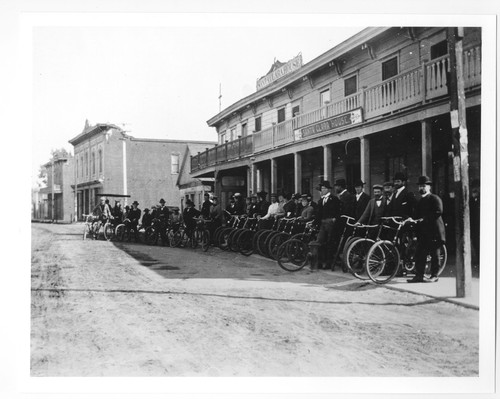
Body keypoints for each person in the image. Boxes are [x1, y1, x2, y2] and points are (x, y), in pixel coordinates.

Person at [406, 176, 446, 283]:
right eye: (420, 186)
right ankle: (419, 275)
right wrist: (412, 219)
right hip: (423, 233)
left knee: (435, 255)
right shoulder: (420, 201)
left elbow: (438, 211)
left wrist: (423, 219)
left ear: (429, 187)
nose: (421, 188)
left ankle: (434, 275)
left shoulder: (434, 198)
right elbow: (416, 215)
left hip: (434, 232)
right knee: (420, 254)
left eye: (423, 186)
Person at [313, 180, 342, 270]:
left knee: (330, 243)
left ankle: (329, 263)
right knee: (320, 242)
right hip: (322, 223)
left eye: (324, 188)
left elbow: (338, 211)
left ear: (328, 190)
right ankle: (320, 262)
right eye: (321, 188)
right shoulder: (321, 200)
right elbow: (318, 214)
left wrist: (334, 219)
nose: (322, 190)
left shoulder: (334, 199)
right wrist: (315, 223)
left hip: (330, 224)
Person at [470, 180, 480, 266]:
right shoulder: (472, 201)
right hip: (474, 226)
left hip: (480, 226)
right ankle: (477, 260)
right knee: (475, 243)